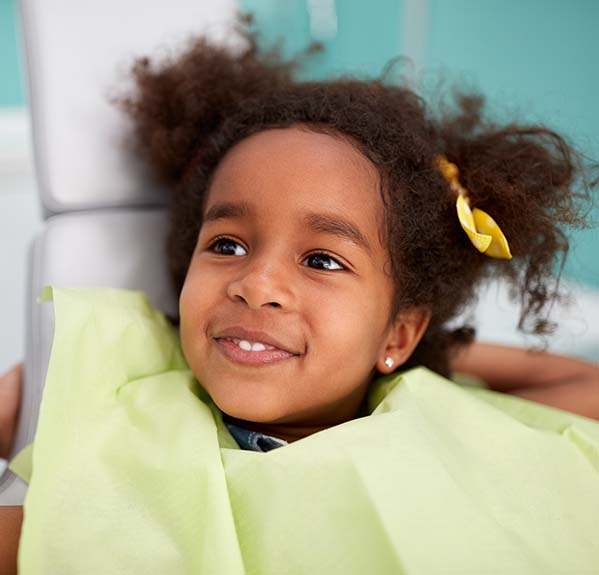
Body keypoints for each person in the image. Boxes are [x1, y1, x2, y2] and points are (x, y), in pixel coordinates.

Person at [2, 17, 599, 573]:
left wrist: (420, 353)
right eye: (228, 246)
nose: (256, 284)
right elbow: (56, 532)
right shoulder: (122, 377)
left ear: (399, 331)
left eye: (321, 260)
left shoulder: (430, 417)